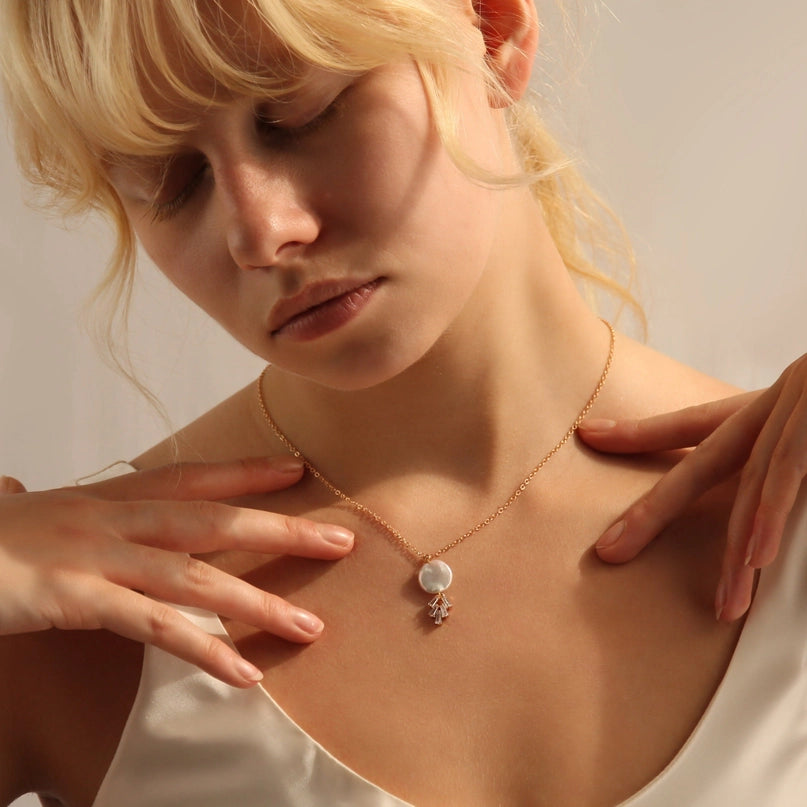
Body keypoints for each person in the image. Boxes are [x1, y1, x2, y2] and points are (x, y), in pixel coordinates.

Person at [1, 0, 806, 805]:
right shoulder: (76, 624)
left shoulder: (791, 510)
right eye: (172, 183)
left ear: (492, 31)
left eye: (299, 115)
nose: (260, 232)